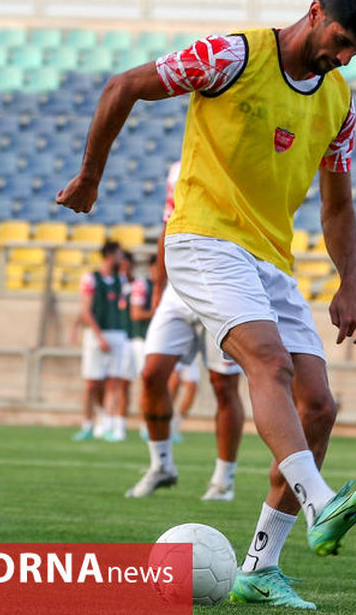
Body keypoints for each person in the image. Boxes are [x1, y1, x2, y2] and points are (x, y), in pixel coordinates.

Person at [57, 0, 356, 609]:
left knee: (319, 405)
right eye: (342, 40)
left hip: (271, 259)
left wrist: (352, 281)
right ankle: (322, 502)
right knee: (269, 361)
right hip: (202, 239)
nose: (344, 57)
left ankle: (260, 568)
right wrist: (90, 175)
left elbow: (338, 205)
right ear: (315, 12)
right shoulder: (232, 56)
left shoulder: (338, 103)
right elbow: (124, 85)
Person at [125, 159, 247, 503]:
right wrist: (160, 282)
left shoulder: (239, 160)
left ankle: (223, 480)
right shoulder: (178, 169)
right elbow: (169, 222)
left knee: (224, 385)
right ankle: (161, 464)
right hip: (178, 290)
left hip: (223, 286)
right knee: (151, 375)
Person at [72, 241, 130, 443]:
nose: (122, 259)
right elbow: (86, 310)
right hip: (97, 334)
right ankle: (87, 423)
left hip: (118, 333)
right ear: (110, 255)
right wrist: (98, 335)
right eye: (119, 254)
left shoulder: (121, 279)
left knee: (113, 382)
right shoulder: (91, 278)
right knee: (91, 383)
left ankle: (106, 425)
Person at [124, 252, 156, 440]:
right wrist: (157, 313)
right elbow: (136, 314)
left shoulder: (170, 285)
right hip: (141, 341)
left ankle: (153, 422)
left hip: (155, 343)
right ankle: (142, 423)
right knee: (144, 383)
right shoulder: (142, 284)